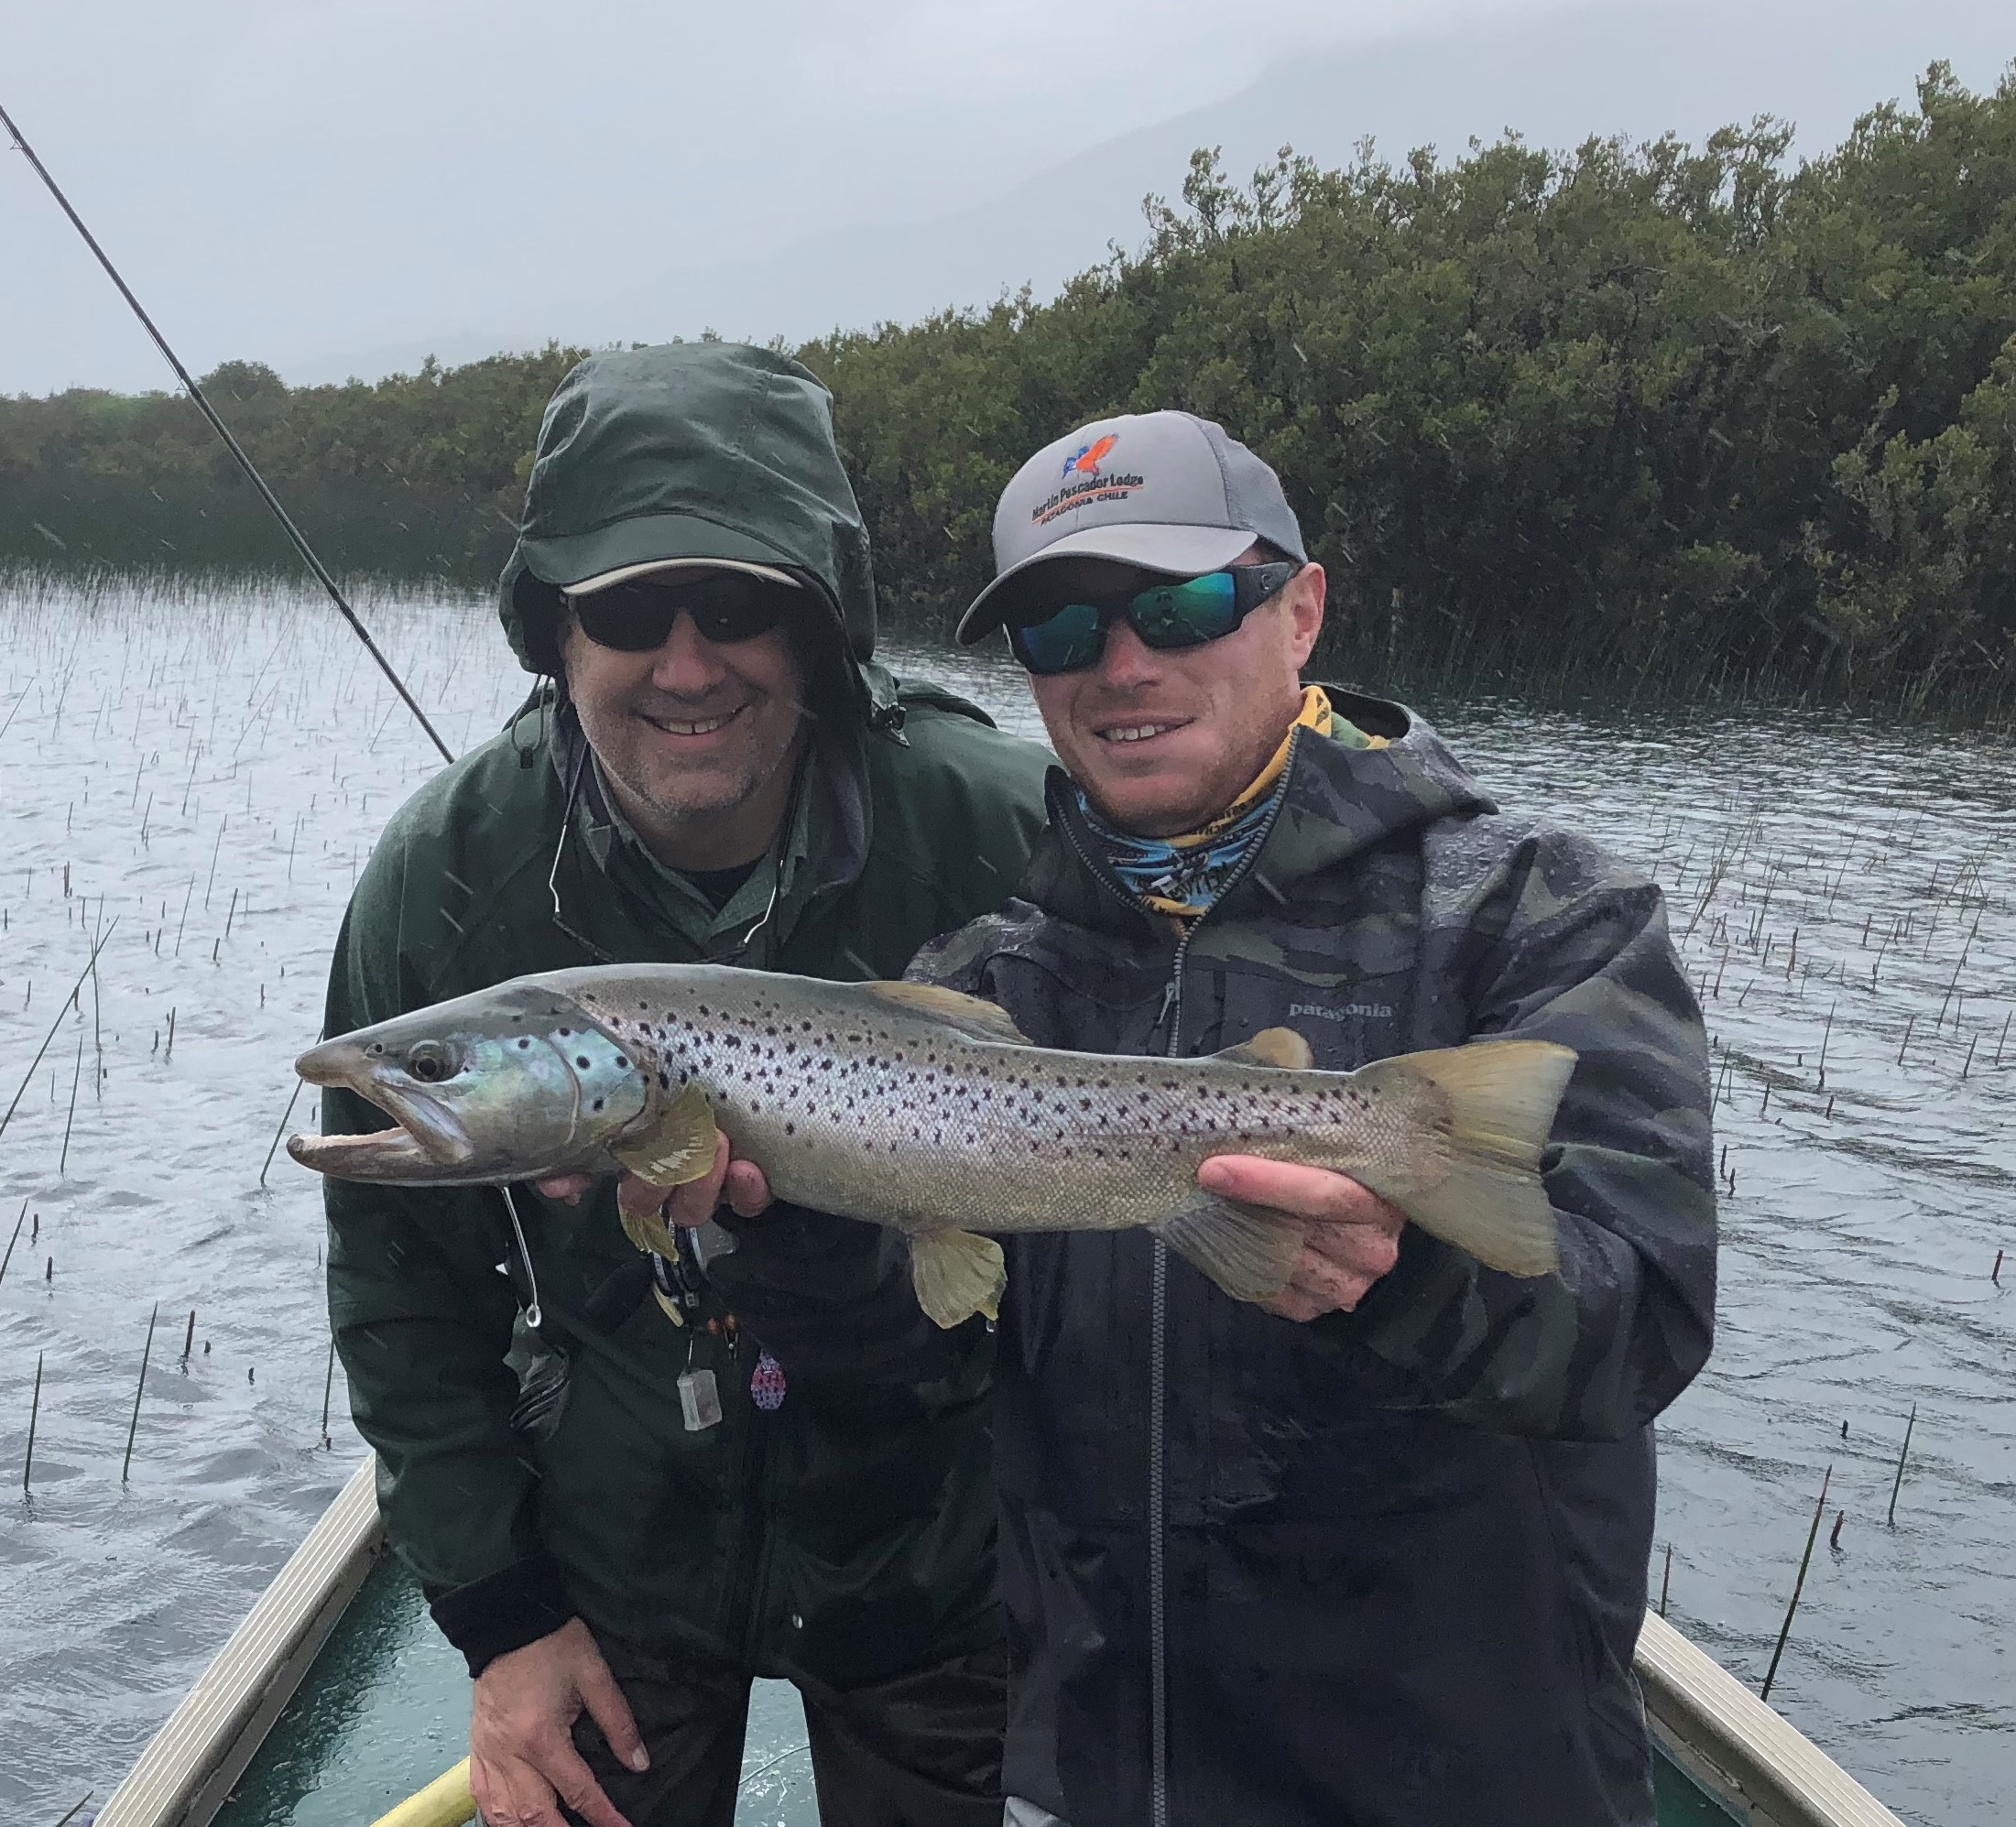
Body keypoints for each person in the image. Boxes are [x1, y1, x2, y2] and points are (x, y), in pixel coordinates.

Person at [903, 409, 1719, 1826]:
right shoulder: (982, 985)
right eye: (1060, 630)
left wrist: (1411, 1276)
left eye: (1180, 602)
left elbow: (1638, 1323)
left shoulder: (1541, 918)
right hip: (1097, 1781)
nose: (1123, 665)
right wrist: (753, 1225)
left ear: (1302, 609)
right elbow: (905, 1385)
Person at [321, 343, 1050, 1827]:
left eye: (742, 605)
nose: (689, 661)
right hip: (608, 1555)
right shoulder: (444, 876)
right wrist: (501, 1617)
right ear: (556, 630)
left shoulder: (1004, 823)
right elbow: (400, 1296)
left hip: (943, 1546)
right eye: (630, 609)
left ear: (821, 623)